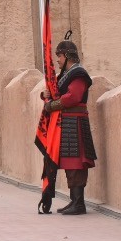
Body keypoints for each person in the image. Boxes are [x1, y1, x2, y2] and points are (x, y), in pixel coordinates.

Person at [40, 39, 97, 215]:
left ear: (66, 56)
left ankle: (79, 203)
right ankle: (74, 200)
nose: (57, 60)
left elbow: (72, 97)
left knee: (76, 163)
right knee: (69, 162)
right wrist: (46, 95)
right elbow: (57, 92)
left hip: (76, 122)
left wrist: (52, 105)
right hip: (67, 122)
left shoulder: (78, 74)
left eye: (59, 56)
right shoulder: (67, 74)